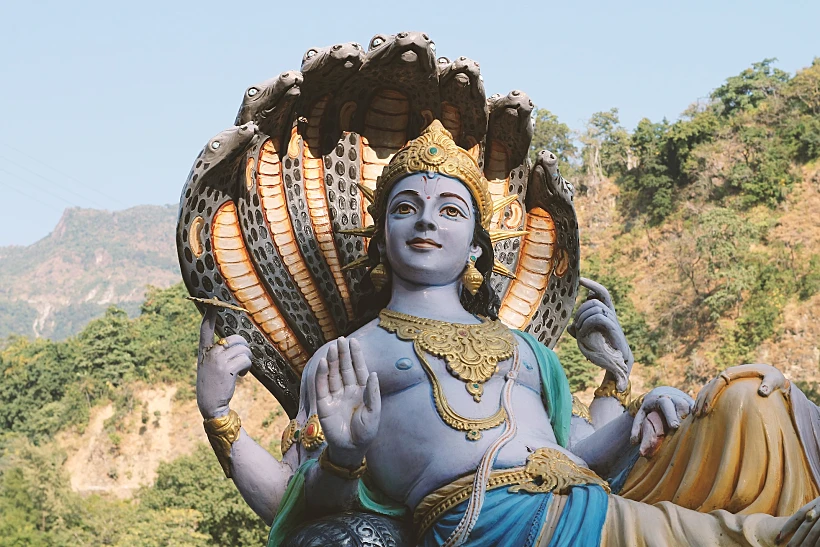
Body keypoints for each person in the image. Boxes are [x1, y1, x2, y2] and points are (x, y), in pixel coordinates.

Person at [196, 121, 820, 546]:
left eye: (450, 211)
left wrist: (631, 396)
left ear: (476, 243)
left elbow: (581, 450)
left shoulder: (527, 351)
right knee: (750, 537)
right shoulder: (349, 355)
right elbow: (289, 502)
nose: (425, 222)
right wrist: (227, 418)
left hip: (586, 503)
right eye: (405, 208)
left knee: (755, 393)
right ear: (381, 236)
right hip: (490, 520)